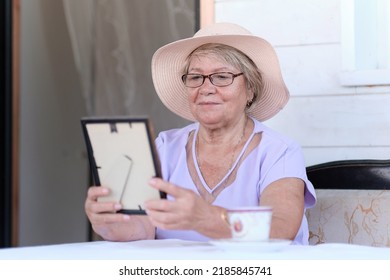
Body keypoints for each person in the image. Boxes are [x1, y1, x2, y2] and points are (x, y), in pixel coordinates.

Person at [85, 22, 316, 245]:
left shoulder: (279, 151)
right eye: (195, 77)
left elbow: (280, 228)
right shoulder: (166, 146)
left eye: (222, 77)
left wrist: (205, 218)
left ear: (250, 89)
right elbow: (145, 227)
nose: (206, 88)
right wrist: (110, 222)